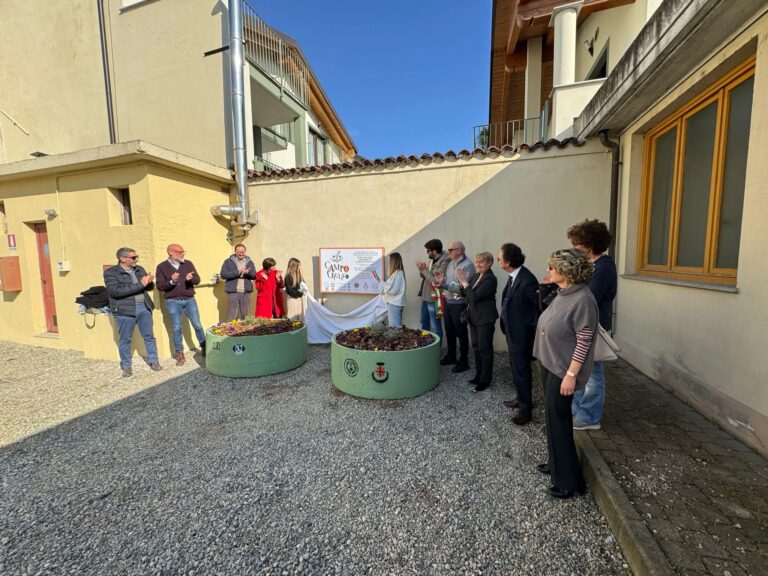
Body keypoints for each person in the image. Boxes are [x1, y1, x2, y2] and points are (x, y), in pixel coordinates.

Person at [533, 249, 598, 499]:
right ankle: (555, 465)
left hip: (563, 370)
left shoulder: (583, 299)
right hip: (551, 363)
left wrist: (571, 375)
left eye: (552, 268)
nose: (548, 271)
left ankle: (570, 482)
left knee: (560, 421)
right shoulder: (564, 293)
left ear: (566, 270)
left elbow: (584, 340)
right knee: (551, 417)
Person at [567, 219, 617, 431]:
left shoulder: (604, 267)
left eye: (577, 245)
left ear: (589, 245)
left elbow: (588, 297)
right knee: (580, 373)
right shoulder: (592, 265)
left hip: (595, 326)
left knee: (593, 376)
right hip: (584, 326)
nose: (573, 248)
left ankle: (589, 418)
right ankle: (577, 410)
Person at [498, 243, 539, 425]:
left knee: (521, 370)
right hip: (512, 332)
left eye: (499, 258)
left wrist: (527, 327)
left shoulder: (527, 279)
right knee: (516, 369)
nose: (497, 260)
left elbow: (538, 308)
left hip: (521, 335)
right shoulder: (514, 276)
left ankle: (525, 410)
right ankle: (521, 399)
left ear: (507, 261)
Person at [104, 247, 162, 378]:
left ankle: (154, 361)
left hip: (143, 307)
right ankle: (126, 366)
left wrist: (149, 281)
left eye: (137, 257)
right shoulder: (111, 273)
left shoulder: (139, 269)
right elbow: (116, 291)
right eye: (134, 257)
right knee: (125, 339)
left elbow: (148, 287)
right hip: (125, 311)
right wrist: (141, 284)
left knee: (149, 336)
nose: (137, 259)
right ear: (123, 259)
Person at [155, 243, 206, 366]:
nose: (182, 253)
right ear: (171, 252)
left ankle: (205, 347)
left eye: (183, 251)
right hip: (172, 300)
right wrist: (171, 281)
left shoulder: (187, 263)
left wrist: (190, 279)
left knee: (197, 325)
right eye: (179, 251)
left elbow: (198, 280)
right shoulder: (162, 267)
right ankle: (180, 353)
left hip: (189, 299)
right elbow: (160, 286)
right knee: (177, 328)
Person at [457, 251, 498, 392]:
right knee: (476, 347)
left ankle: (485, 380)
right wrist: (462, 285)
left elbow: (474, 297)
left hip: (485, 319)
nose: (478, 264)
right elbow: (466, 293)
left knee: (485, 349)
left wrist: (464, 282)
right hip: (473, 318)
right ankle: (478, 375)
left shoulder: (490, 279)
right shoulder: (475, 276)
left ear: (489, 263)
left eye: (481, 262)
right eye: (476, 261)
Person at [433, 241, 475, 373]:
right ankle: (452, 356)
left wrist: (444, 286)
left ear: (460, 251)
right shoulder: (451, 263)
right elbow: (448, 281)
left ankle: (464, 361)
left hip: (459, 303)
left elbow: (462, 287)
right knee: (449, 330)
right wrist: (441, 281)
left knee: (461, 332)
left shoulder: (468, 265)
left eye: (451, 249)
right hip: (448, 302)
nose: (448, 251)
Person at [416, 239, 450, 342]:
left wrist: (424, 270)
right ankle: (424, 348)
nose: (427, 253)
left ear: (434, 251)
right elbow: (427, 276)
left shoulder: (444, 262)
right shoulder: (433, 260)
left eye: (428, 251)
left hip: (434, 299)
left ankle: (436, 351)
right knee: (424, 322)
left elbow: (435, 281)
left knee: (435, 326)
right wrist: (422, 271)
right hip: (426, 297)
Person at [220, 244, 257, 321]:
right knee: (232, 315)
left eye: (243, 252)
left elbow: (254, 275)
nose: (241, 254)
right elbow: (223, 274)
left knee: (245, 316)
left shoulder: (250, 262)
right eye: (239, 252)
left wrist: (247, 273)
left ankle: (245, 332)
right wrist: (238, 272)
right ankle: (230, 332)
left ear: (245, 251)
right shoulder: (228, 261)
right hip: (233, 292)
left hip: (246, 292)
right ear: (235, 252)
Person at [381, 252, 407, 327]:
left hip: (394, 304)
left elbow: (393, 290)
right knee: (396, 327)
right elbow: (390, 287)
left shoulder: (398, 273)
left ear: (394, 262)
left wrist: (384, 288)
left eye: (389, 260)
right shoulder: (396, 273)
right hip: (394, 303)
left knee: (394, 328)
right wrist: (381, 282)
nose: (388, 262)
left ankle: (396, 339)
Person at [283, 257, 309, 322]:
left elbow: (302, 287)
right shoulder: (288, 276)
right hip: (293, 300)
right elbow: (290, 291)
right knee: (293, 320)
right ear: (294, 266)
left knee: (300, 320)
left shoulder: (299, 276)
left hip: (300, 300)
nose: (299, 268)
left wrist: (304, 290)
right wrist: (300, 293)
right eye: (298, 266)